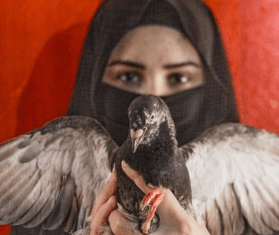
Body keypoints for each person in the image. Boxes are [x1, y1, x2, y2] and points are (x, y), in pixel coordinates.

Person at [10, 0, 239, 234]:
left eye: (178, 77)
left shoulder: (249, 173)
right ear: (95, 82)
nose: (155, 96)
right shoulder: (55, 184)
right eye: (129, 76)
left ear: (211, 87)